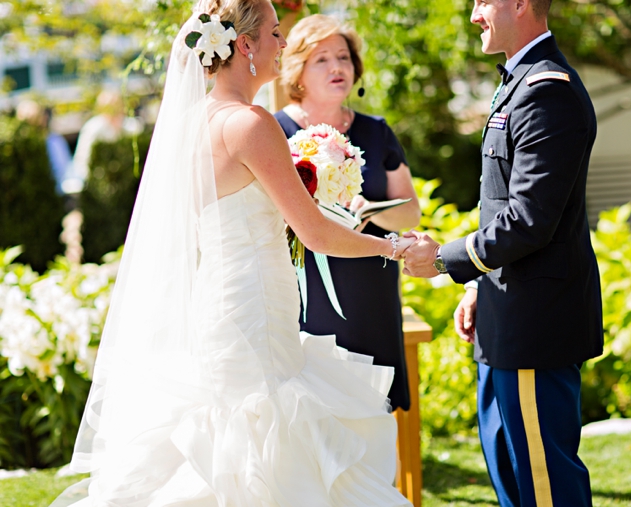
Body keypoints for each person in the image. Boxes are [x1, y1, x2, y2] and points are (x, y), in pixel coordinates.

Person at [51, 0, 413, 505]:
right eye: (275, 33)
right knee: (266, 434)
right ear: (245, 45)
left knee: (228, 433)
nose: (282, 44)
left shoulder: (194, 122)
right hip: (257, 310)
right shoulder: (251, 123)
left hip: (220, 302)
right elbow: (316, 234)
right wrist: (395, 246)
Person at [401, 0, 603, 505]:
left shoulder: (546, 91)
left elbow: (529, 220)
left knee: (543, 482)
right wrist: (476, 285)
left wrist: (446, 259)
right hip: (508, 313)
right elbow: (501, 205)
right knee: (513, 474)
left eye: (481, 2)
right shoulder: (521, 81)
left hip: (535, 324)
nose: (473, 15)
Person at [274, 14, 421, 412]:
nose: (338, 67)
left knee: (373, 414)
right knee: (314, 416)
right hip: (306, 294)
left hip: (371, 289)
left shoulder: (377, 132)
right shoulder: (274, 133)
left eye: (343, 57)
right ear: (298, 70)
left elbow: (410, 212)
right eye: (322, 59)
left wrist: (371, 211)